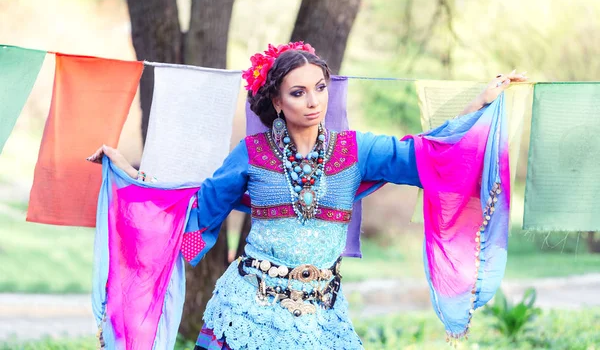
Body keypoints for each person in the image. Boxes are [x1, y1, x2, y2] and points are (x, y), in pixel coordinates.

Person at [88, 42, 526, 349]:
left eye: (320, 87)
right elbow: (196, 213)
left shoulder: (355, 151)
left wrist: (481, 106)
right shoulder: (250, 155)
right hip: (248, 312)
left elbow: (427, 154)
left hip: (323, 315)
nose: (313, 101)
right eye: (298, 92)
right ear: (277, 102)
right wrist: (129, 177)